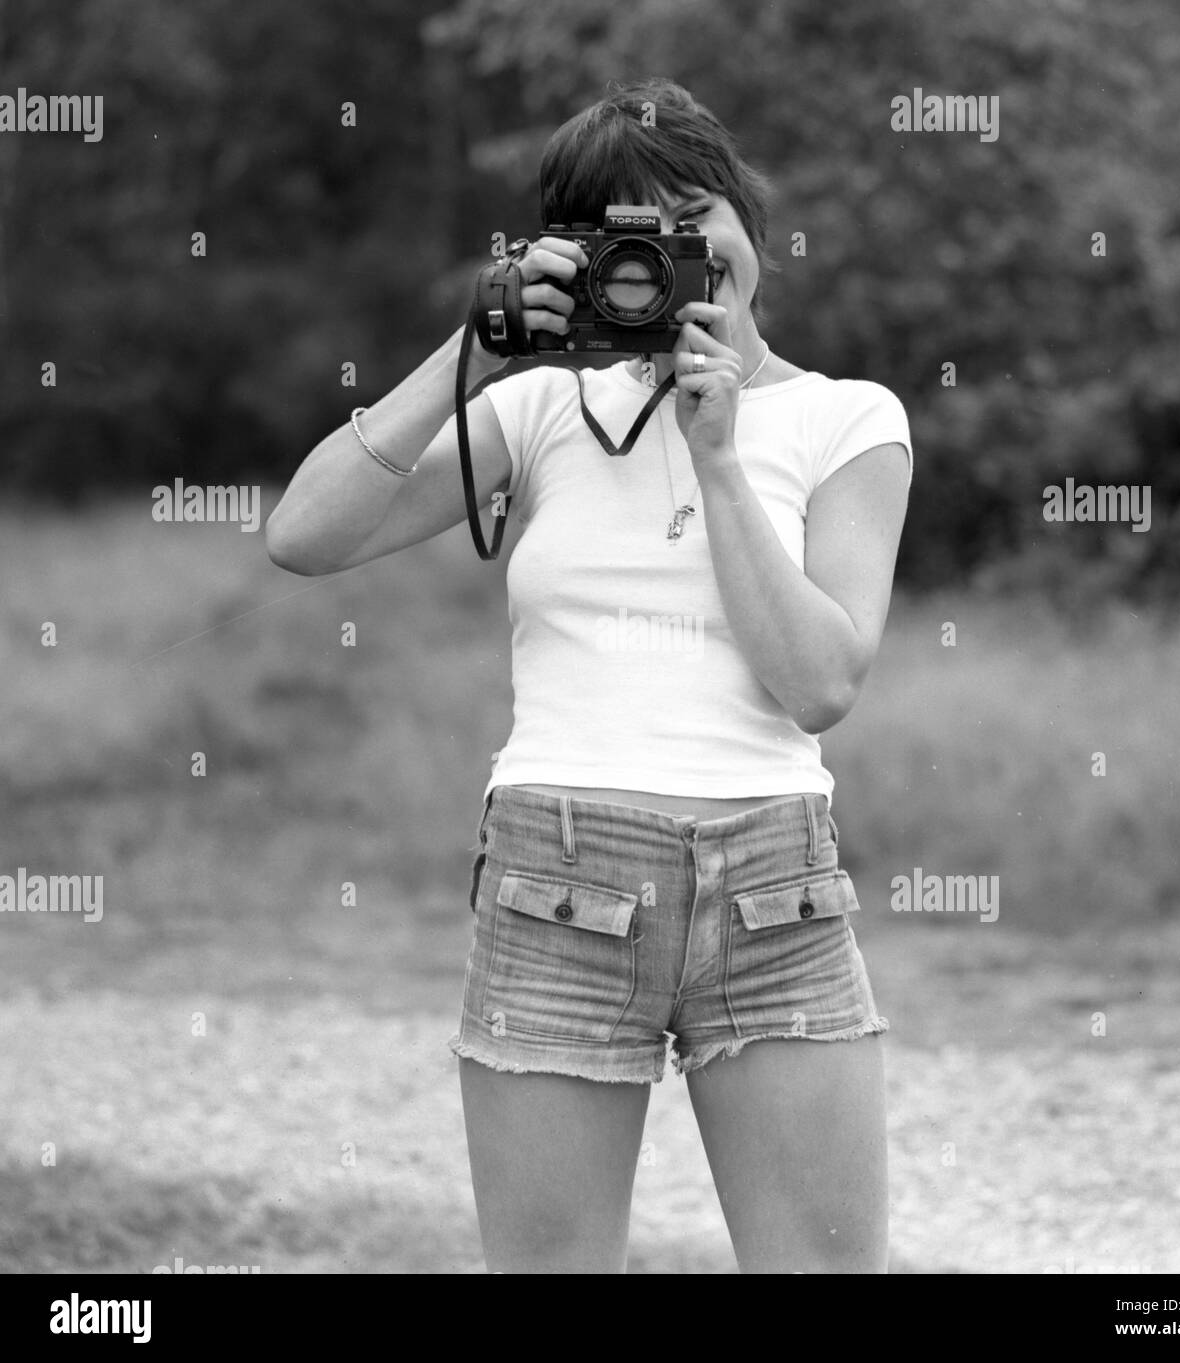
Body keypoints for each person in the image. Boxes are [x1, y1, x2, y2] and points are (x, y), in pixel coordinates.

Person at [266, 77, 912, 1274]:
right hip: (558, 880)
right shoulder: (543, 409)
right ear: (573, 257)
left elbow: (820, 683)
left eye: (693, 212)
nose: (669, 252)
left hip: (776, 887)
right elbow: (305, 534)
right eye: (625, 232)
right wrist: (477, 343)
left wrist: (720, 458)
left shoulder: (845, 420)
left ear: (748, 225)